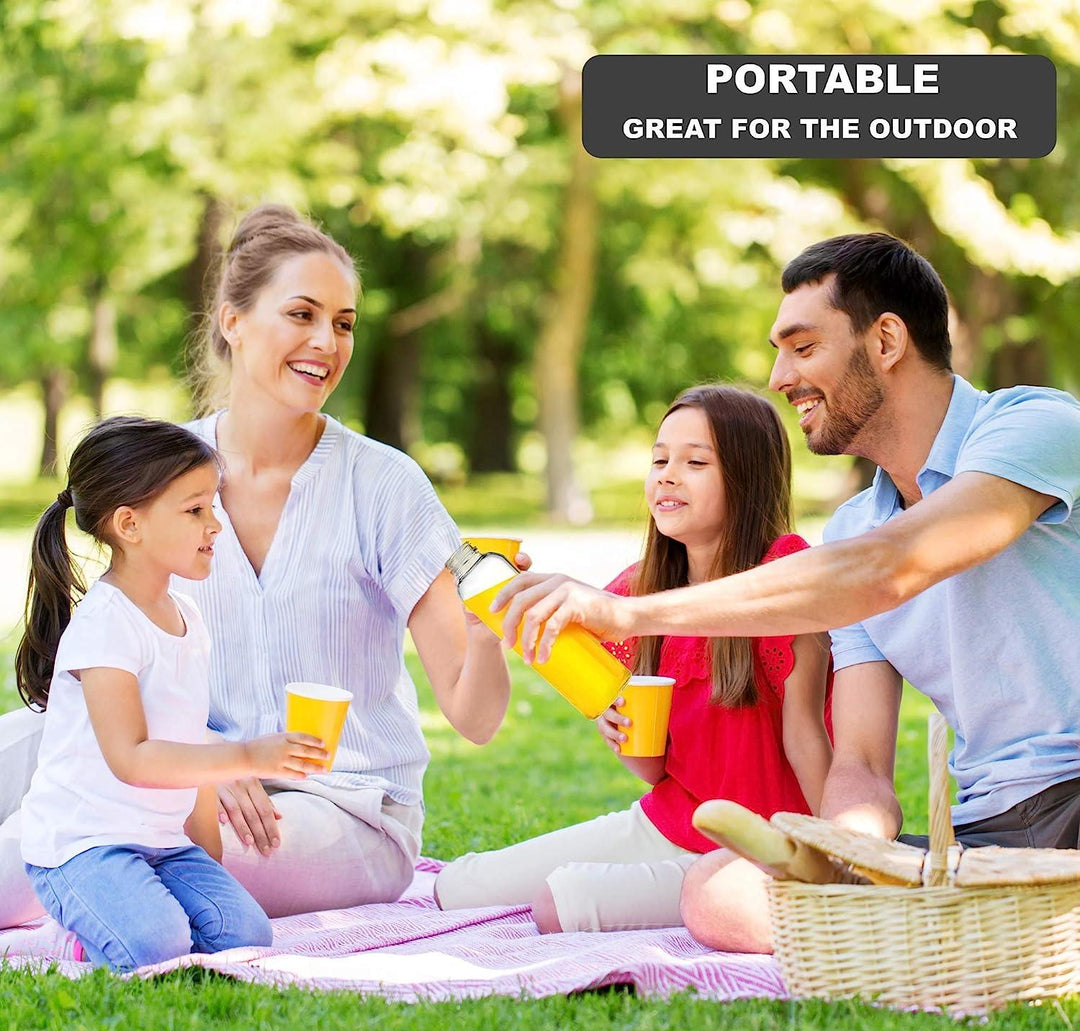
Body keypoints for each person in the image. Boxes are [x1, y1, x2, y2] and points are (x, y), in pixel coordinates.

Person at [489, 233, 1080, 952]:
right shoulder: (851, 530)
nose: (778, 377)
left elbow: (894, 565)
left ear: (886, 339)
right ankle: (963, 935)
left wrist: (627, 611)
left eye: (802, 348)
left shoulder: (1032, 427)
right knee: (718, 892)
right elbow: (859, 763)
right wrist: (838, 860)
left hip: (1072, 794)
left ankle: (985, 935)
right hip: (986, 832)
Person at [0, 204, 512, 926]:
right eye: (301, 314)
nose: (326, 342)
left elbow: (475, 715)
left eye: (343, 322)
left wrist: (491, 626)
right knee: (19, 741)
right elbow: (120, 673)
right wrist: (216, 757)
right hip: (188, 764)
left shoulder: (385, 485)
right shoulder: (162, 471)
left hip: (343, 807)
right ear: (232, 320)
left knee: (50, 855)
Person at [435, 385, 833, 932]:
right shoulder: (635, 592)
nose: (668, 474)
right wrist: (615, 726)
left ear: (747, 478)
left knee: (562, 901)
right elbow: (652, 768)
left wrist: (836, 860)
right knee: (458, 888)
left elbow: (807, 737)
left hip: (756, 845)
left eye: (695, 461)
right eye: (659, 459)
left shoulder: (780, 576)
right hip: (666, 824)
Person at [14, 416, 330, 971]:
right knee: (156, 946)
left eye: (213, 505)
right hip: (83, 845)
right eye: (195, 510)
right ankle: (65, 937)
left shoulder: (187, 618)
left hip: (161, 844)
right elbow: (132, 758)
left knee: (244, 936)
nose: (217, 525)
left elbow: (190, 746)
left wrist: (202, 866)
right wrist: (247, 756)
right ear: (129, 525)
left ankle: (126, 912)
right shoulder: (106, 624)